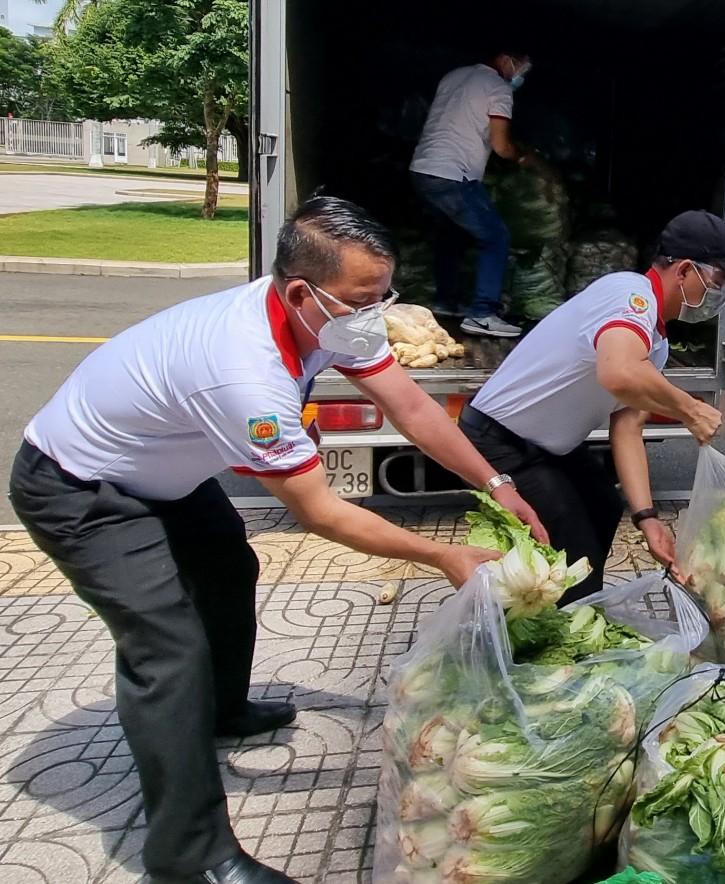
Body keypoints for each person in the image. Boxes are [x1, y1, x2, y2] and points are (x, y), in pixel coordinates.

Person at [8, 196, 546, 884]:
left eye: (384, 295)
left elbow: (409, 405)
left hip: (161, 470)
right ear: (300, 291)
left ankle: (222, 708)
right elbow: (319, 512)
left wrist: (494, 482)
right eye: (363, 299)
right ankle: (190, 855)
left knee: (229, 566)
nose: (373, 313)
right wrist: (441, 555)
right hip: (83, 487)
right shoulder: (244, 368)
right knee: (167, 650)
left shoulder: (329, 318)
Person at [461, 210, 725, 603]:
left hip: (550, 448)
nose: (718, 296)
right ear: (686, 270)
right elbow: (617, 372)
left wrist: (648, 519)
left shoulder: (656, 344)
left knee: (604, 504)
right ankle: (565, 632)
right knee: (572, 537)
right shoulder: (630, 294)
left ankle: (577, 608)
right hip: (497, 439)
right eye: (718, 282)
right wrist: (690, 408)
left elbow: (627, 428)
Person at [409, 45, 540, 338]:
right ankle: (483, 313)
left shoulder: (454, 76)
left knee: (452, 233)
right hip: (452, 176)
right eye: (522, 66)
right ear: (506, 59)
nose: (521, 74)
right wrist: (524, 158)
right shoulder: (498, 88)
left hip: (423, 169)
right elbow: (501, 146)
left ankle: (446, 301)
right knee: (496, 236)